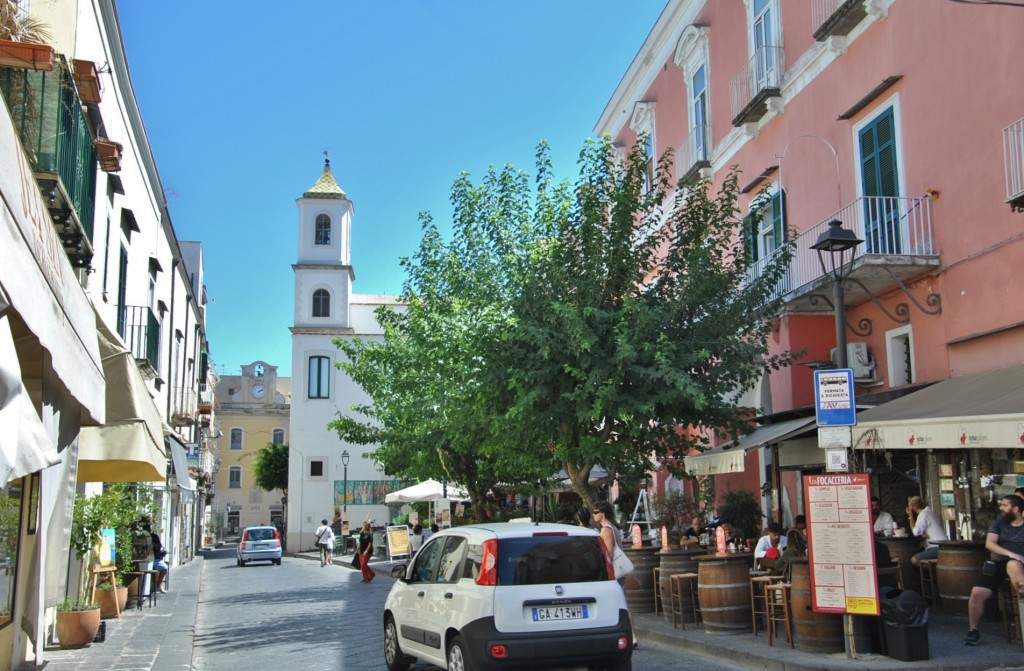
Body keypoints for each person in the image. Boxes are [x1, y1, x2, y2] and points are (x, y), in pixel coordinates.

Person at [964, 494, 1024, 646]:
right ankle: (973, 631)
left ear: (1015, 509)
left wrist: (1015, 557)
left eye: (1005, 505)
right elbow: (990, 544)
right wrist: (1009, 553)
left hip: (1019, 563)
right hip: (996, 564)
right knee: (977, 593)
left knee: (1013, 565)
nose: (1001, 508)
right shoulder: (998, 523)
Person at [907, 496, 948, 566]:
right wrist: (924, 535)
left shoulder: (923, 514)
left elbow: (915, 532)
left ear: (914, 507)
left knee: (914, 560)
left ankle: (934, 573)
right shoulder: (930, 512)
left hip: (937, 547)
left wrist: (911, 516)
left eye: (910, 507)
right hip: (943, 545)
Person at [592, 501, 625, 585]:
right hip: (618, 571)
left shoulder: (606, 530)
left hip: (613, 573)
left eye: (595, 512)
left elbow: (608, 554)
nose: (593, 515)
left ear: (603, 513)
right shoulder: (612, 527)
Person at [144, 522, 169, 593]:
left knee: (164, 568)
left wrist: (153, 546)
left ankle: (159, 585)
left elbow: (159, 546)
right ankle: (156, 585)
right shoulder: (142, 537)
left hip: (155, 557)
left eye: (148, 529)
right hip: (147, 558)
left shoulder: (154, 536)